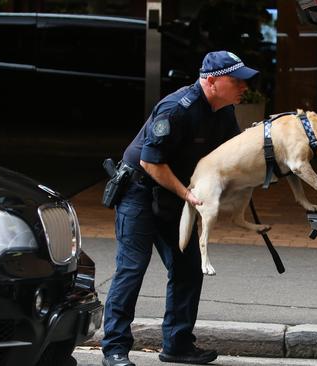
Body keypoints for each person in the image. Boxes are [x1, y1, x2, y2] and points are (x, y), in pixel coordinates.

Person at [101, 51, 258, 366]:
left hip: (175, 196)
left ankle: (177, 345)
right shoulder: (176, 109)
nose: (244, 87)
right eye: (236, 81)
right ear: (211, 81)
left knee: (187, 269)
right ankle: (114, 349)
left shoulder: (225, 112)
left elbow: (229, 158)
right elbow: (150, 162)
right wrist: (188, 194)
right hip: (140, 191)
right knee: (132, 269)